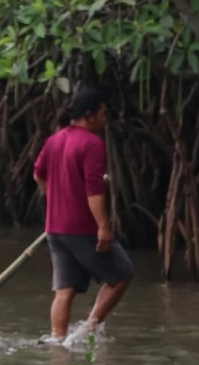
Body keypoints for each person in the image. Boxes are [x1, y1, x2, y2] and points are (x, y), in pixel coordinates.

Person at [33, 87, 133, 345]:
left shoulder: (54, 140)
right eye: (102, 113)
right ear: (89, 115)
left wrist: (55, 198)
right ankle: (88, 328)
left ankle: (58, 342)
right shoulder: (92, 144)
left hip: (55, 229)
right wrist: (103, 226)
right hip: (81, 228)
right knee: (122, 273)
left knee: (64, 290)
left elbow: (38, 174)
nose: (104, 119)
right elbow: (94, 190)